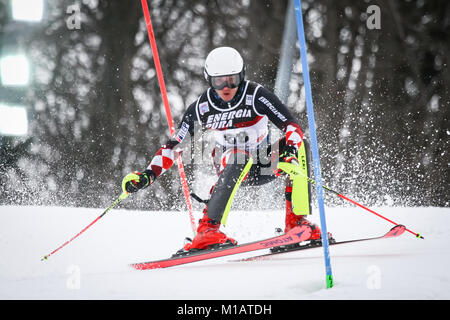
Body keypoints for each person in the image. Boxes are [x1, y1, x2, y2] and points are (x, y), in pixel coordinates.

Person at [122, 47, 322, 252]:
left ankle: (296, 221)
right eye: (219, 81)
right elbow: (174, 147)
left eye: (232, 80)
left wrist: (289, 151)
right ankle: (207, 230)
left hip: (263, 164)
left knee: (301, 146)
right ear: (209, 80)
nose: (226, 87)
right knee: (238, 156)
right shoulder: (201, 107)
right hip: (231, 165)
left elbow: (291, 126)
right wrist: (148, 174)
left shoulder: (256, 95)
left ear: (241, 76)